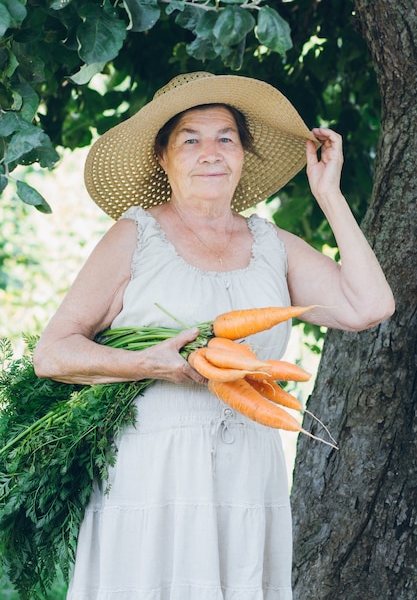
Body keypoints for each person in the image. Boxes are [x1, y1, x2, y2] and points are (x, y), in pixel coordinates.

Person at [33, 72, 395, 600]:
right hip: (152, 468)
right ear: (163, 158)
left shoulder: (272, 244)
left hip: (248, 469)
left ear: (243, 155)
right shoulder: (136, 235)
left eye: (226, 138)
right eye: (190, 139)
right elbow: (52, 353)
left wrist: (330, 196)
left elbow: (371, 306)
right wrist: (149, 364)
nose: (211, 152)